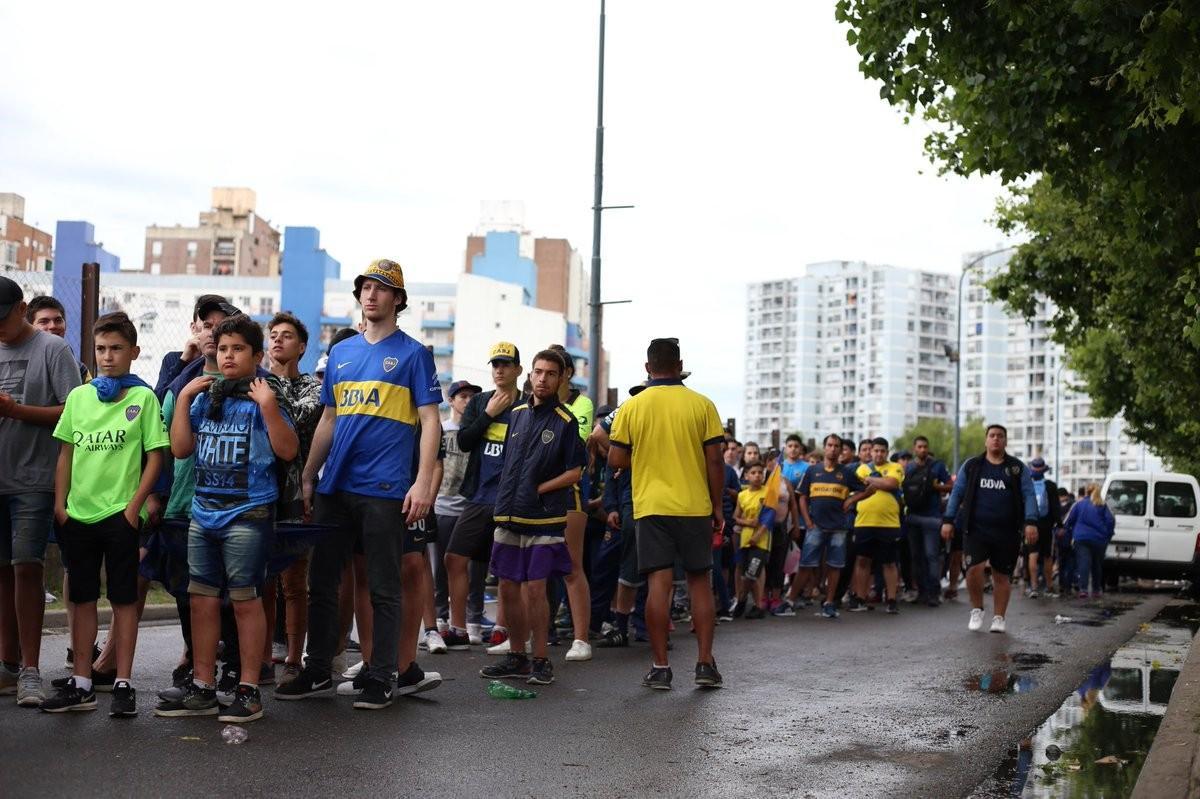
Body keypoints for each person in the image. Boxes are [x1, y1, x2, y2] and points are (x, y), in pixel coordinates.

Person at [276, 259, 440, 711]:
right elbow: (329, 419)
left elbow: (431, 422)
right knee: (323, 583)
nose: (371, 295)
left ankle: (382, 675)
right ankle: (316, 671)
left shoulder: (414, 354)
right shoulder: (343, 353)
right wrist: (310, 476)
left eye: (382, 289)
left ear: (398, 300)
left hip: (386, 488)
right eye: (366, 287)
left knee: (383, 586)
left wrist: (423, 482)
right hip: (336, 487)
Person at [157, 314, 298, 723]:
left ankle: (248, 690)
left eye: (238, 349)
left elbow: (287, 451)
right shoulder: (205, 397)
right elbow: (181, 449)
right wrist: (183, 399)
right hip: (204, 512)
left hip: (248, 513)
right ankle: (202, 685)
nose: (229, 356)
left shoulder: (265, 395)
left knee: (244, 601)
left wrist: (269, 407)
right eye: (222, 349)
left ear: (256, 355)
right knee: (201, 600)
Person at [42, 312, 168, 715]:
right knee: (79, 598)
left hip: (120, 515)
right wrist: (61, 505)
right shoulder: (80, 397)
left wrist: (134, 507)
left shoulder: (142, 398)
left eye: (116, 349)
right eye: (100, 349)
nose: (108, 357)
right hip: (78, 514)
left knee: (123, 598)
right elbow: (66, 453)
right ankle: (81, 682)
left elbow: (155, 457)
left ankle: (123, 681)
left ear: (134, 351)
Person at [608, 337, 725, 691]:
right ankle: (704, 664)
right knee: (699, 584)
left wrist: (643, 458)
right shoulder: (702, 405)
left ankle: (660, 667)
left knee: (658, 586)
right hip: (694, 506)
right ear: (679, 365)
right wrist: (717, 506)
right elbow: (716, 459)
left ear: (647, 368)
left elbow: (615, 458)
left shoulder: (633, 406)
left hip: (651, 507)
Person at [479, 350, 585, 685]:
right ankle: (517, 656)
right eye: (538, 372)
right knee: (507, 588)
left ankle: (541, 659)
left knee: (537, 589)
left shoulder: (566, 422)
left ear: (561, 378)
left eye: (550, 374)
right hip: (508, 514)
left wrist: (540, 488)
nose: (542, 379)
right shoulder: (517, 413)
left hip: (544, 519)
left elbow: (575, 471)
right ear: (531, 375)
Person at [0, 276, 82, 707]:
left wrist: (17, 410)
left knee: (27, 567)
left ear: (21, 308)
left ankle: (31, 668)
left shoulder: (53, 350)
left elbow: (76, 413)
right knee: (2, 572)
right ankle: (7, 664)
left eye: (3, 318)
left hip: (34, 478)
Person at [443, 343, 524, 652]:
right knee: (454, 557)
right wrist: (489, 414)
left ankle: (501, 629)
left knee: (504, 566)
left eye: (506, 364)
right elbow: (463, 441)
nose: (499, 369)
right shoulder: (479, 402)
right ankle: (458, 628)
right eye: (495, 364)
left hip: (511, 499)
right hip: (478, 494)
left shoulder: (527, 404)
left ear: (518, 369)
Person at [264, 312, 324, 682]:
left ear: (301, 347)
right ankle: (262, 653)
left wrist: (267, 392)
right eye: (273, 335)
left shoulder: (313, 388)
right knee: (261, 579)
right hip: (258, 490)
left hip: (296, 492)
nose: (278, 340)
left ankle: (294, 656)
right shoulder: (256, 381)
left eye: (287, 336)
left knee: (293, 581)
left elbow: (297, 419)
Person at [941, 425, 1039, 634]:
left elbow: (1029, 495)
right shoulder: (972, 466)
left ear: (1005, 441)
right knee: (973, 570)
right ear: (986, 440)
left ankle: (999, 617)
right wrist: (948, 519)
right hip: (976, 530)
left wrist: (1031, 521)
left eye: (1000, 436)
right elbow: (957, 493)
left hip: (1007, 531)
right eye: (992, 436)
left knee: (1001, 575)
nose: (996, 439)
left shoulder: (1016, 468)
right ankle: (977, 609)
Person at [432, 379, 482, 648]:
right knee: (440, 567)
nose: (467, 400)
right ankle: (440, 618)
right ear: (450, 400)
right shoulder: (441, 430)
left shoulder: (478, 432)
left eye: (472, 397)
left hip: (471, 508)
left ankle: (473, 620)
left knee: (474, 570)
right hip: (442, 506)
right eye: (462, 396)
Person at [790, 434, 851, 618]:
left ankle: (829, 603)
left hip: (838, 527)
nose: (833, 449)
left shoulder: (846, 473)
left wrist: (852, 500)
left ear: (840, 449)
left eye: (836, 446)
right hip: (815, 526)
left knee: (834, 566)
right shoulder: (812, 470)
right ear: (825, 447)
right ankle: (790, 600)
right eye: (830, 445)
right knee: (806, 564)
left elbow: (867, 489)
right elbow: (802, 496)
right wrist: (807, 521)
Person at [845, 438, 905, 614]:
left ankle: (892, 599)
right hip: (863, 522)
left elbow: (891, 483)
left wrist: (869, 480)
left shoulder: (895, 467)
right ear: (871, 452)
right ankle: (861, 598)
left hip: (889, 523)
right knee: (863, 560)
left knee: (889, 562)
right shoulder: (861, 468)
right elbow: (860, 489)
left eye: (882, 451)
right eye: (875, 451)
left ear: (887, 452)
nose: (878, 454)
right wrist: (878, 482)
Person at [903, 436, 952, 607]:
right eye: (919, 447)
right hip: (913, 517)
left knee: (931, 556)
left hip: (932, 518)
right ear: (914, 448)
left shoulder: (937, 465)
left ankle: (934, 592)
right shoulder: (908, 468)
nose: (922, 450)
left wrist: (936, 487)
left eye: (925, 447)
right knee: (916, 557)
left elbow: (951, 485)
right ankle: (922, 592)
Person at [733, 464, 769, 618]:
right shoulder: (742, 495)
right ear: (746, 475)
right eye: (753, 473)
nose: (757, 476)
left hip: (760, 540)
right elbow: (736, 517)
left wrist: (757, 535)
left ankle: (745, 600)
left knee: (752, 572)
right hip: (745, 539)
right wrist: (747, 523)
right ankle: (747, 602)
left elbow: (769, 518)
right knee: (743, 570)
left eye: (760, 472)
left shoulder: (768, 493)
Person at [1064, 483, 1114, 598]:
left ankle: (1083, 589)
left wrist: (1070, 531)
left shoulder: (1079, 504)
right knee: (1097, 565)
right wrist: (1108, 535)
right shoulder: (1102, 505)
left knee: (1083, 563)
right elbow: (1110, 521)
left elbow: (1068, 521)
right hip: (1099, 540)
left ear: (1087, 492)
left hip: (1081, 538)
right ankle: (1096, 590)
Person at [1023, 457, 1063, 599]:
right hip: (1047, 526)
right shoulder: (1051, 486)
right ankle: (1049, 586)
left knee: (1032, 555)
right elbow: (1056, 507)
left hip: (1030, 525)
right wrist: (1059, 524)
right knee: (1047, 556)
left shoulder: (1027, 485)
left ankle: (1033, 587)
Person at [26, 296, 89, 383]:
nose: (53, 326)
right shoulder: (19, 364)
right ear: (29, 327)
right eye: (44, 321)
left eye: (58, 320)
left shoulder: (81, 370)